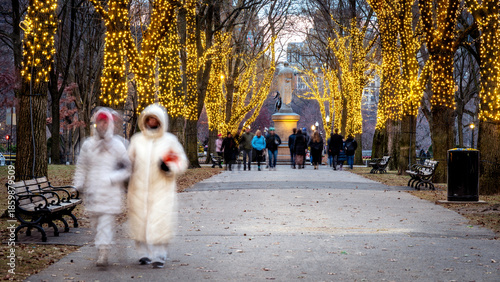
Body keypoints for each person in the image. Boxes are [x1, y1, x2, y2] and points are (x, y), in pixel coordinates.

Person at [127, 104, 188, 269]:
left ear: (161, 121)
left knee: (161, 220)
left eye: (155, 118)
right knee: (140, 221)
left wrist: (169, 168)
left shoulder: (169, 141)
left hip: (162, 188)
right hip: (139, 188)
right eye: (149, 118)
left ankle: (160, 253)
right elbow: (129, 161)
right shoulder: (137, 140)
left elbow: (181, 161)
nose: (152, 121)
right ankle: (143, 253)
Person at [73, 108, 131, 267]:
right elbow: (81, 166)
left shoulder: (118, 146)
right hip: (93, 192)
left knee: (105, 225)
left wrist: (113, 178)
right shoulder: (88, 145)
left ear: (110, 123)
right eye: (100, 121)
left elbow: (127, 168)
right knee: (96, 225)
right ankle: (101, 246)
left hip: (110, 193)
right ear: (96, 123)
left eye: (106, 121)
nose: (103, 124)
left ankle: (103, 252)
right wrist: (77, 184)